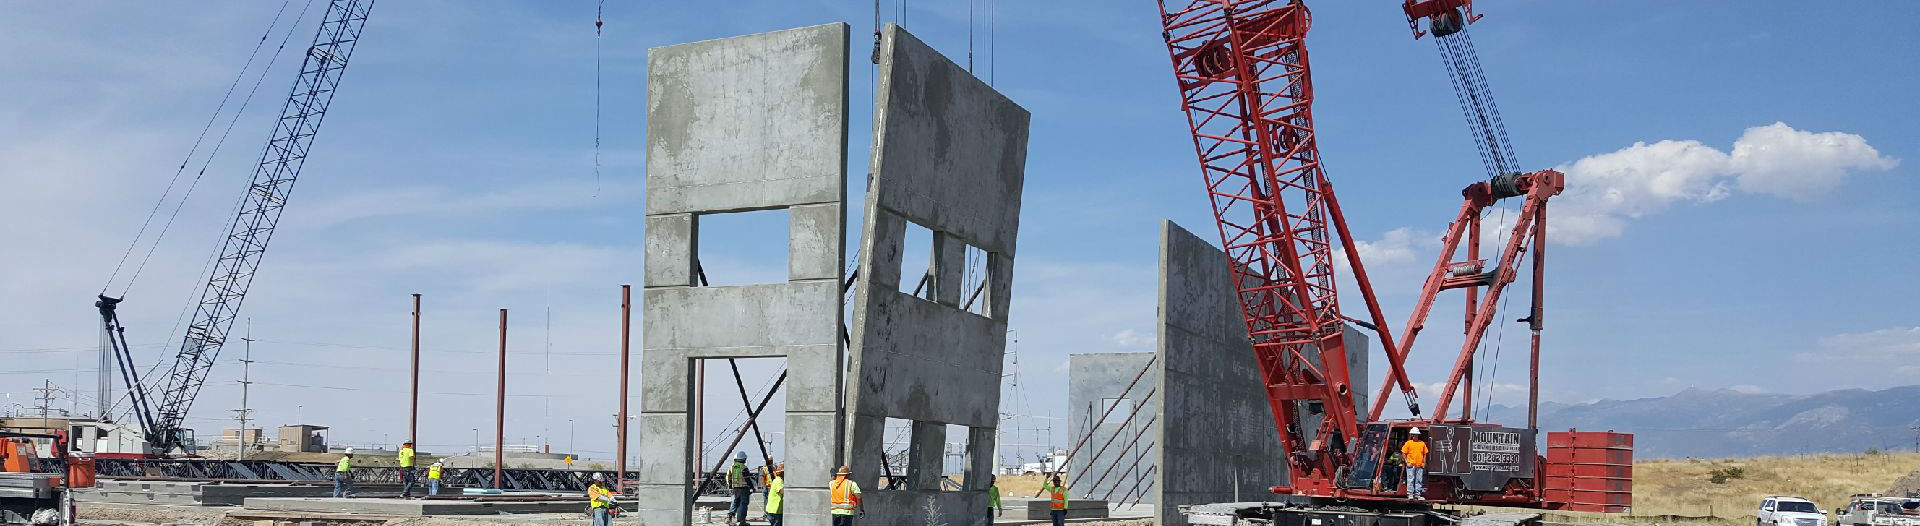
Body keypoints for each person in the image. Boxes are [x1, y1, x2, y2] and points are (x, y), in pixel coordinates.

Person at [726, 451, 755, 526]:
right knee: (743, 504)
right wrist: (752, 487)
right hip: (744, 489)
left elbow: (728, 477)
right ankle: (742, 521)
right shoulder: (744, 467)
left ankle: (730, 518)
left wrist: (730, 486)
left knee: (735, 503)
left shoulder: (732, 467)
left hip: (735, 488)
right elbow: (747, 479)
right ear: (743, 459)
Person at [1401, 428, 1430, 500]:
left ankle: (1417, 494)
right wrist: (1407, 462)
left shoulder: (1422, 443)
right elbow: (1403, 453)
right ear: (1412, 435)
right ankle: (1410, 494)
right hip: (1411, 465)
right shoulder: (1408, 443)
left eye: (1416, 435)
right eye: (1414, 435)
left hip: (1419, 465)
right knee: (1411, 480)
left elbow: (1425, 454)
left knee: (1419, 480)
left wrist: (1424, 463)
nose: (1415, 436)